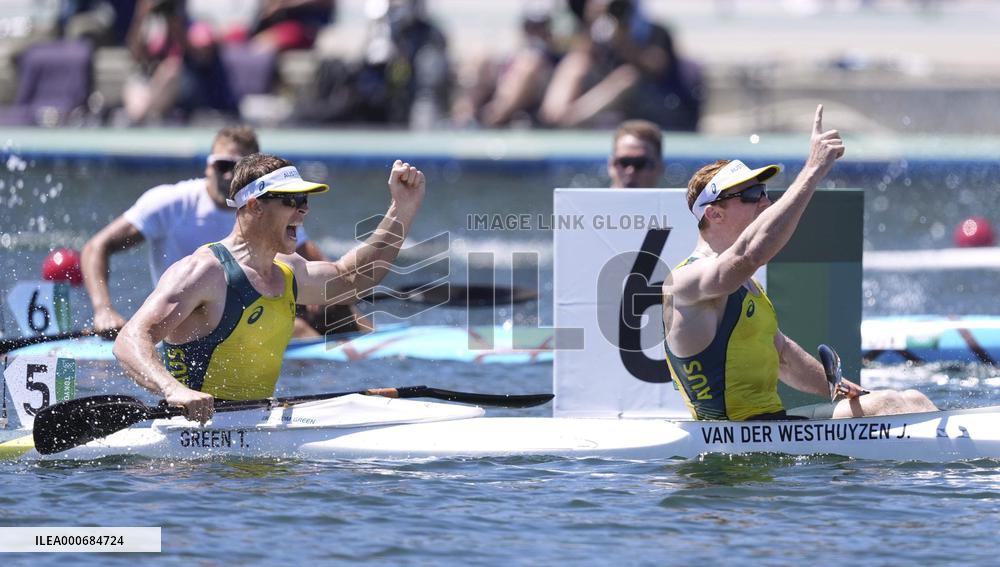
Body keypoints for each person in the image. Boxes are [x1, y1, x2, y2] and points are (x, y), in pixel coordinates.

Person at [662, 105, 937, 421]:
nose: (765, 201)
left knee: (909, 399)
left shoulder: (746, 285)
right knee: (889, 405)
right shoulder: (684, 281)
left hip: (769, 426)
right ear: (714, 213)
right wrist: (813, 169)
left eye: (764, 191)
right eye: (752, 194)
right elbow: (747, 255)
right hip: (729, 435)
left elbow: (782, 357)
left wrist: (840, 388)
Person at [113, 155, 425, 422]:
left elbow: (352, 279)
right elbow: (129, 339)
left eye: (305, 201)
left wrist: (402, 208)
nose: (303, 210)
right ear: (255, 206)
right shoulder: (205, 271)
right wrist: (174, 390)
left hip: (254, 431)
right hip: (192, 452)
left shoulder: (290, 270)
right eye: (291, 200)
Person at [81, 125, 369, 337]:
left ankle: (375, 346)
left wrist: (335, 300)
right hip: (188, 320)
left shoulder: (266, 210)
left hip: (250, 311)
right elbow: (97, 247)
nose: (230, 175)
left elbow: (321, 266)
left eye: (239, 167)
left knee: (338, 309)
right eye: (222, 165)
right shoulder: (170, 202)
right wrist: (103, 309)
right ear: (208, 167)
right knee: (302, 331)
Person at [608, 119, 663, 188]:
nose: (630, 171)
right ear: (610, 165)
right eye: (624, 162)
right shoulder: (591, 198)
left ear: (659, 168)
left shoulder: (675, 199)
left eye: (640, 163)